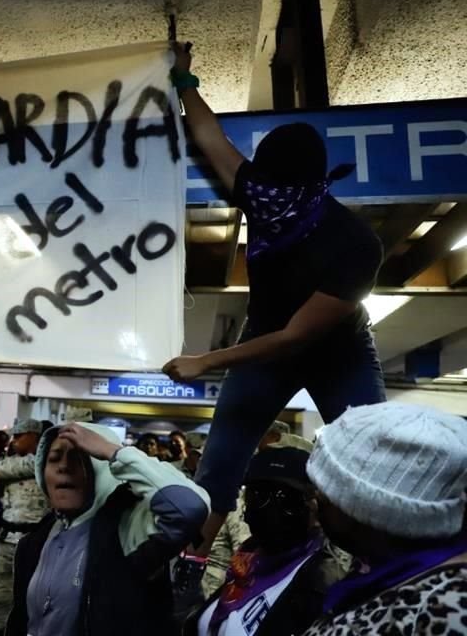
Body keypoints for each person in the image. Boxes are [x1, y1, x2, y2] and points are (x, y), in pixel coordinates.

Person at [162, 42, 386, 555]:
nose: (265, 201)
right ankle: (190, 562)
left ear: (309, 188)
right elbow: (208, 134)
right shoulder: (259, 189)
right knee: (220, 461)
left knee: (370, 452)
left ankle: (378, 563)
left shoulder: (354, 244)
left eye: (276, 191)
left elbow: (296, 336)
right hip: (265, 336)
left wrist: (207, 361)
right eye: (261, 187)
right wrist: (183, 78)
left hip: (335, 352)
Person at [6, 423, 210, 636]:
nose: (63, 467)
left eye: (78, 458)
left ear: (103, 468)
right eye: (54, 459)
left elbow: (189, 507)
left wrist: (113, 452)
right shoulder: (37, 539)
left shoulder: (129, 529)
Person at [300, 402, 467, 635]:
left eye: (325, 491)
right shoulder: (382, 571)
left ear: (363, 509)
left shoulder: (443, 609)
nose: (315, 499)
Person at [185, 447, 345, 636]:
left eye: (287, 498)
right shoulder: (245, 565)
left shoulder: (324, 580)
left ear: (315, 506)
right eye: (258, 495)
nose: (270, 508)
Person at [0, 419, 49, 634]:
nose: (13, 441)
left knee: (32, 595)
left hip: (34, 542)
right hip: (8, 539)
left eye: (19, 436)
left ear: (34, 436)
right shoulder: (11, 462)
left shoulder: (45, 460)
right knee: (0, 594)